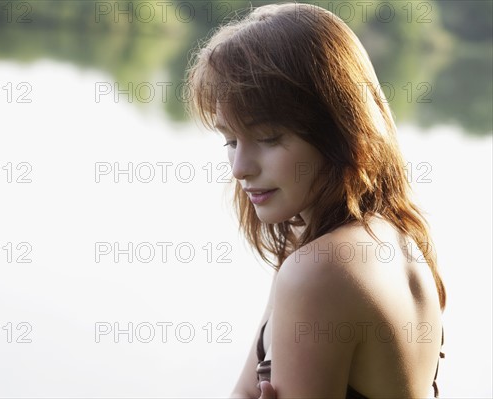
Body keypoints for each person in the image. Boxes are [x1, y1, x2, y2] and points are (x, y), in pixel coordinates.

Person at [186, 3, 446, 398]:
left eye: (269, 137)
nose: (239, 168)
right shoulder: (397, 242)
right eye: (230, 140)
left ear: (343, 131)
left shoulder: (319, 271)